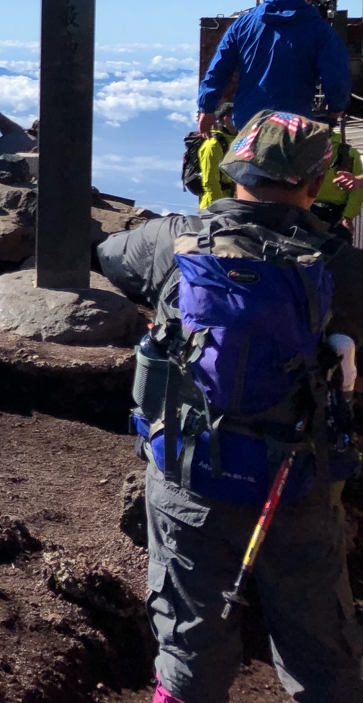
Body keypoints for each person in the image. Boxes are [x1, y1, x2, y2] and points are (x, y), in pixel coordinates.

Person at [97, 110, 363, 703]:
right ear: (314, 184)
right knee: (322, 654)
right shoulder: (340, 268)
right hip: (297, 488)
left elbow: (110, 256)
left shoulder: (173, 240)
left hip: (191, 478)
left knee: (190, 642)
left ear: (233, 168)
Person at [198, 0, 351, 133]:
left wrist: (206, 108)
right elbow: (336, 74)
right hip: (294, 127)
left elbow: (218, 69)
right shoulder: (322, 32)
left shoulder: (242, 25)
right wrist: (336, 107)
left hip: (248, 124)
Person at [312, 128, 363, 233]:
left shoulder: (300, 151)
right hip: (335, 214)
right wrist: (348, 217)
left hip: (306, 211)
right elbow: (356, 190)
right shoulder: (350, 152)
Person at [195, 103, 239, 207]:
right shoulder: (213, 144)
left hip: (232, 205)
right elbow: (210, 182)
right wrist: (219, 209)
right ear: (226, 119)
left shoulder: (237, 142)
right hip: (214, 207)